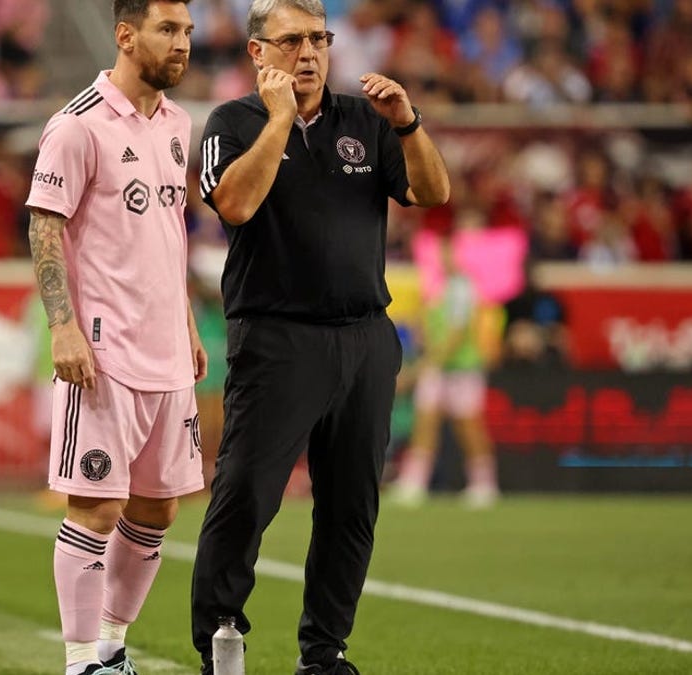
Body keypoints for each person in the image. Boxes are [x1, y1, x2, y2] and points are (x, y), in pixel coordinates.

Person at [190, 1, 450, 672]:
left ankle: (325, 651)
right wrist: (281, 118)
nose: (309, 52)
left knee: (351, 507)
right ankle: (222, 634)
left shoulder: (365, 120)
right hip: (277, 337)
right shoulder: (232, 123)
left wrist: (409, 124)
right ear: (258, 53)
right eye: (292, 40)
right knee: (246, 493)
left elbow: (432, 192)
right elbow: (237, 205)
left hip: (363, 335)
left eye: (319, 38)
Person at [24, 2, 205, 674]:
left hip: (167, 351)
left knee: (157, 507)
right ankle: (80, 662)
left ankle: (111, 643)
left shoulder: (179, 123)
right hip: (102, 353)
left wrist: (184, 318)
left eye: (187, 31)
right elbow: (44, 227)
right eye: (168, 30)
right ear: (126, 37)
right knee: (98, 505)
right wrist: (64, 326)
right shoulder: (77, 125)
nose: (182, 44)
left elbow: (169, 229)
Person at [390, 217, 505, 509]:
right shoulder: (440, 286)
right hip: (438, 367)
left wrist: (426, 364)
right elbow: (430, 324)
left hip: (462, 368)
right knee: (425, 423)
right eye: (441, 251)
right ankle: (414, 483)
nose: (444, 257)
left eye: (449, 251)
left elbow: (456, 334)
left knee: (469, 426)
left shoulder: (464, 287)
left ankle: (484, 485)